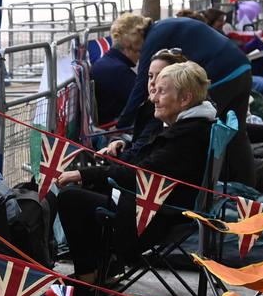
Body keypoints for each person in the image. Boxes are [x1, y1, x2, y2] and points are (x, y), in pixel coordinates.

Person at [54, 61, 216, 281]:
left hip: (158, 215)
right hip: (159, 205)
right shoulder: (190, 126)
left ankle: (88, 277)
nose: (153, 98)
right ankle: (101, 268)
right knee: (89, 188)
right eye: (154, 90)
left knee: (71, 197)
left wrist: (83, 174)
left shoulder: (186, 137)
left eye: (161, 92)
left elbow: (141, 174)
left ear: (185, 99)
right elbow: (147, 167)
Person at [113, 13, 256, 186]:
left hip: (220, 74)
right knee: (237, 132)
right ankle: (247, 185)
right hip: (241, 67)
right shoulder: (164, 26)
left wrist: (119, 127)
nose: (133, 53)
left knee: (188, 126)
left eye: (130, 47)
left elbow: (141, 86)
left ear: (133, 36)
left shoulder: (153, 39)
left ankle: (199, 185)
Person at [89, 14, 141, 125]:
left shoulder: (107, 63)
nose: (140, 55)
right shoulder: (118, 71)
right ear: (129, 46)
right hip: (115, 130)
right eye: (139, 50)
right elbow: (144, 100)